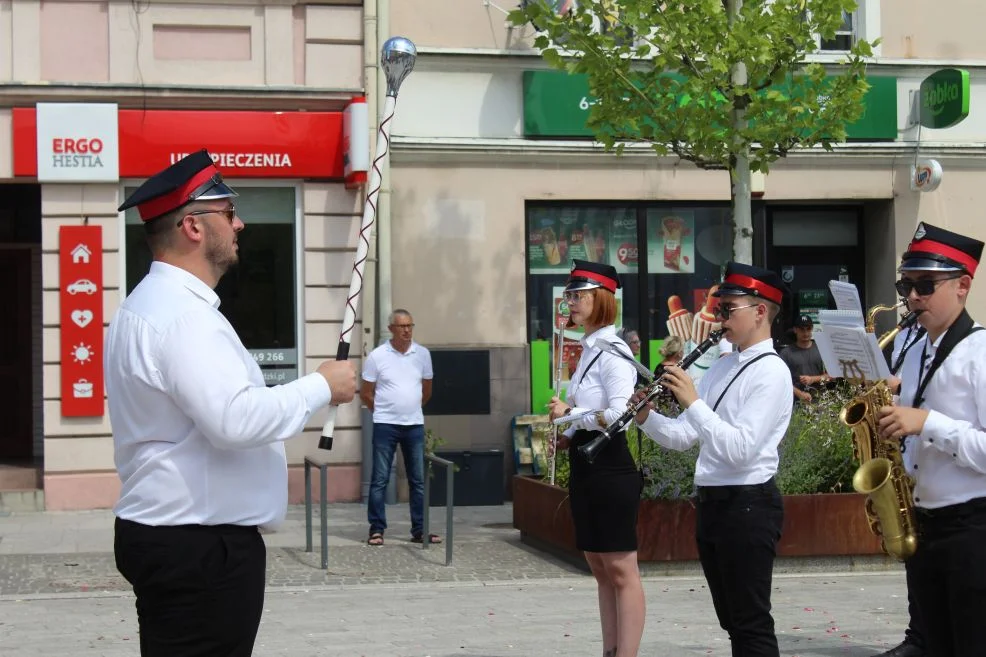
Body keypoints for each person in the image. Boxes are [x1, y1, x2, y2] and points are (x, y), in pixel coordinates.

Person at [106, 150, 358, 657]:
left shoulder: (149, 305)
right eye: (227, 211)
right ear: (193, 227)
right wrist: (320, 387)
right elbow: (234, 419)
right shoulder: (182, 316)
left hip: (180, 538)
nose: (239, 223)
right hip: (199, 546)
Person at [634, 262, 792, 657]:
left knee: (751, 623)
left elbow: (740, 450)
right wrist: (645, 417)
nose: (719, 318)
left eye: (728, 310)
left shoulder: (772, 372)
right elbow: (687, 436)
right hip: (713, 504)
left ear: (760, 311)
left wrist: (693, 401)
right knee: (732, 621)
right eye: (718, 310)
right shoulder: (722, 366)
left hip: (748, 505)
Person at [877, 222, 986, 657]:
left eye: (925, 285)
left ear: (963, 285)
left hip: (972, 528)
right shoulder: (915, 348)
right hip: (923, 523)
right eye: (907, 285)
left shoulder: (980, 353)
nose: (912, 297)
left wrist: (926, 422)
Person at [547, 259, 645, 657]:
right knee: (600, 568)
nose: (570, 302)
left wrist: (568, 416)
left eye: (578, 295)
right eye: (570, 295)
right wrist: (569, 436)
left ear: (600, 299)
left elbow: (620, 415)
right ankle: (610, 650)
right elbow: (590, 408)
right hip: (588, 466)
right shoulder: (588, 349)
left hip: (611, 468)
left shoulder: (612, 350)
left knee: (621, 569)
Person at [362, 309, 437, 546]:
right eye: (402, 326)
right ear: (391, 329)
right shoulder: (377, 356)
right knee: (380, 479)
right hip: (385, 425)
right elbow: (366, 393)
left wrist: (411, 407)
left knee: (417, 480)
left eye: (410, 326)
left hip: (413, 424)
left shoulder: (422, 354)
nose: (407, 330)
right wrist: (384, 412)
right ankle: (376, 529)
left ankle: (420, 529)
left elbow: (427, 390)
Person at [779, 314, 829, 403]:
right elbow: (780, 380)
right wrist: (799, 393)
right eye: (802, 329)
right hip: (796, 402)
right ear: (795, 330)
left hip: (821, 401)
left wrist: (813, 379)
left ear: (812, 328)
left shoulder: (822, 349)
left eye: (808, 329)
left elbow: (832, 376)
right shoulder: (786, 353)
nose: (805, 333)